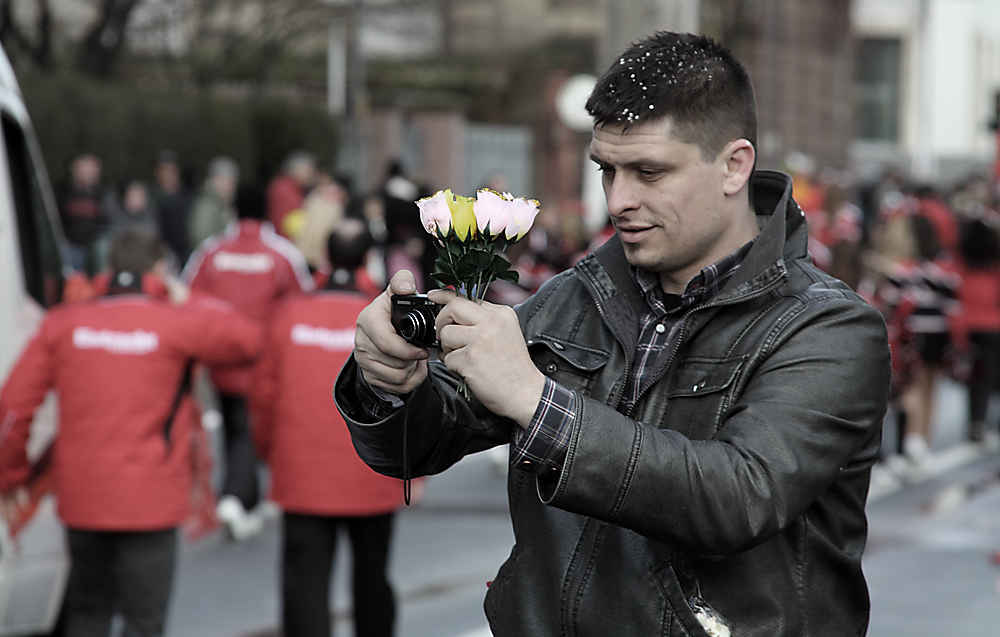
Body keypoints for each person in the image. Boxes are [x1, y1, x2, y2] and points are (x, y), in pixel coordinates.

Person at [334, 31, 891, 636]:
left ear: (735, 166)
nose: (618, 201)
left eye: (649, 172)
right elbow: (423, 444)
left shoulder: (829, 327)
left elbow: (738, 497)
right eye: (607, 170)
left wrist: (534, 400)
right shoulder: (576, 295)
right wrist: (389, 381)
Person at [0, 228, 262, 637]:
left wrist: (11, 475)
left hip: (83, 497)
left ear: (109, 269)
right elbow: (248, 341)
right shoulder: (179, 322)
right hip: (152, 502)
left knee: (88, 612)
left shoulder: (65, 322)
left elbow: (12, 408)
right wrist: (183, 296)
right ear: (159, 270)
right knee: (143, 622)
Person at [252, 225, 403, 637]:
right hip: (374, 470)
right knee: (373, 581)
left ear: (325, 254)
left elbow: (263, 396)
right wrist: (415, 468)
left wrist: (268, 451)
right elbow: (414, 396)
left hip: (302, 473)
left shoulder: (289, 313)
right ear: (368, 259)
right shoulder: (388, 319)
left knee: (304, 587)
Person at [183, 185, 314, 540]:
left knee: (232, 423)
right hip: (264, 359)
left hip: (222, 358)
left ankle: (243, 495)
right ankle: (237, 496)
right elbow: (300, 303)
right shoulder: (282, 253)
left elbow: (189, 295)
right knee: (252, 427)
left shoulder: (211, 251)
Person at [56, 149, 114, 275]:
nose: (92, 171)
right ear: (74, 167)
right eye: (88, 166)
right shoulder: (62, 192)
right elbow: (54, 221)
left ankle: (101, 286)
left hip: (95, 243)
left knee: (103, 247)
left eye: (95, 167)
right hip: (70, 243)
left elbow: (109, 222)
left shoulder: (104, 193)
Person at [151, 150, 196, 265]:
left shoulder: (190, 197)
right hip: (161, 249)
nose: (166, 174)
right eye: (162, 170)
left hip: (186, 249)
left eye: (170, 170)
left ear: (177, 171)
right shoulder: (150, 197)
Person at [188, 156, 240, 250]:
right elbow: (202, 240)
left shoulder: (228, 204)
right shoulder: (206, 207)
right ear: (214, 181)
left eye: (232, 183)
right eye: (224, 181)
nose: (229, 187)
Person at [267, 151, 318, 240]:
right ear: (297, 170)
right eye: (308, 172)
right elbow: (283, 226)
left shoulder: (293, 188)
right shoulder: (283, 190)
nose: (310, 176)